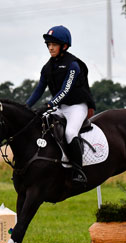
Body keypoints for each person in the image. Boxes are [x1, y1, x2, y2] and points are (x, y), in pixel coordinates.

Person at [26, 25, 96, 186]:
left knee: (70, 132)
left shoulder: (73, 65)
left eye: (54, 44)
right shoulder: (47, 67)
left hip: (77, 106)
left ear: (64, 46)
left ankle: (79, 171)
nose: (50, 48)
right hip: (60, 107)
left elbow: (66, 89)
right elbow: (38, 90)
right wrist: (26, 107)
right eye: (48, 44)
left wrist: (50, 104)